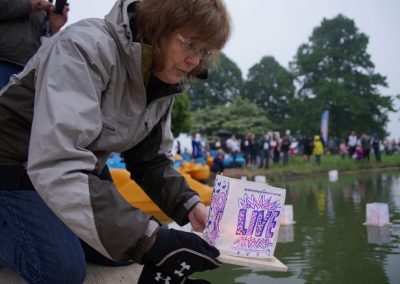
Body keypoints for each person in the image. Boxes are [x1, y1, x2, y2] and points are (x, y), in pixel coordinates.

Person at [0, 0, 231, 283]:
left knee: (120, 250)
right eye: (190, 44)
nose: (195, 61)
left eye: (204, 51)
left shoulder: (162, 80)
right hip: (12, 163)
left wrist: (191, 205)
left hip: (57, 169)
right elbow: (57, 160)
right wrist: (153, 241)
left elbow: (150, 159)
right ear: (157, 27)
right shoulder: (84, 47)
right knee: (61, 271)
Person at [0, 0, 69, 88]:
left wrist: (54, 28)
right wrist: (29, 5)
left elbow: (43, 39)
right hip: (4, 61)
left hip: (29, 72)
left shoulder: (44, 9)